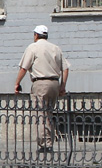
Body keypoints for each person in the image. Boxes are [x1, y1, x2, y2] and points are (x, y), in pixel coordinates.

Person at [14, 25, 70, 153]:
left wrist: (17, 83)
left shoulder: (33, 47)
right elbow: (65, 68)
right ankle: (49, 140)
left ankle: (45, 144)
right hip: (54, 83)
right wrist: (62, 86)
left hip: (41, 83)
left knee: (41, 115)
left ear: (36, 35)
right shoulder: (55, 48)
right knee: (48, 113)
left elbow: (24, 67)